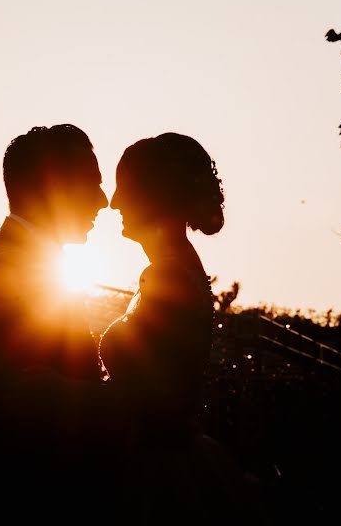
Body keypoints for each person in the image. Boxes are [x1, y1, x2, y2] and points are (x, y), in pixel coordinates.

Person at [100, 132, 267, 524]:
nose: (113, 202)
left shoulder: (170, 276)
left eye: (125, 188)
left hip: (157, 472)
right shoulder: (170, 270)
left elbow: (156, 396)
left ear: (154, 196)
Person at [0, 124, 110, 523]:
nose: (103, 201)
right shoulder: (11, 270)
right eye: (91, 184)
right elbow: (31, 405)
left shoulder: (30, 263)